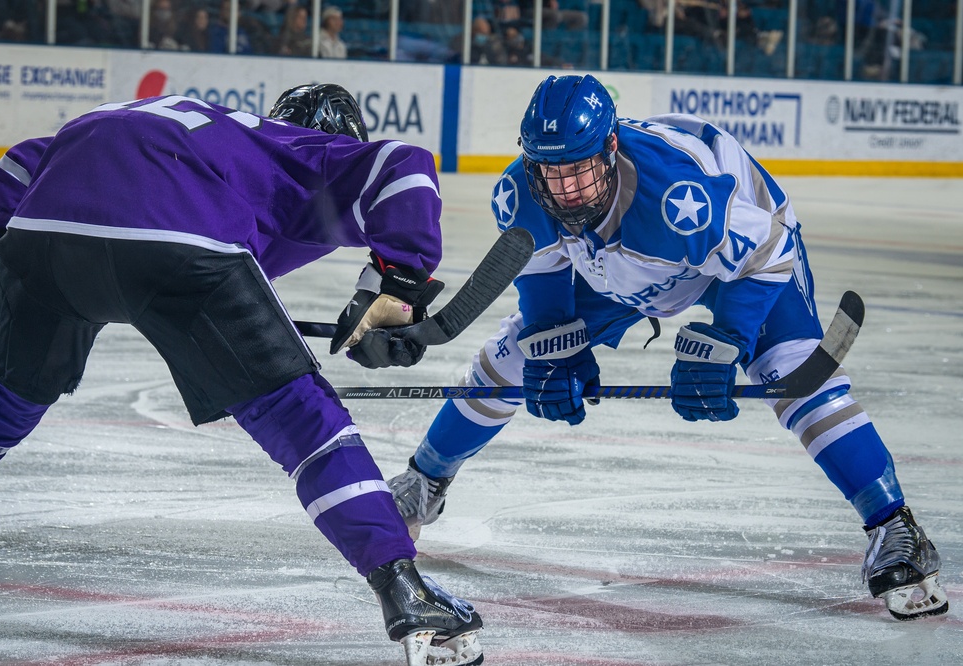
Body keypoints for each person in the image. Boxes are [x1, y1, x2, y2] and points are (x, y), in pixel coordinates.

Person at [385, 73, 948, 622]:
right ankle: (424, 482)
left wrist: (727, 337)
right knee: (513, 356)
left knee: (794, 374)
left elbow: (768, 251)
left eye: (579, 171)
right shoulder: (520, 195)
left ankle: (895, 528)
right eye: (550, 173)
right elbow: (545, 277)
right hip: (623, 267)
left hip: (738, 263)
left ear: (609, 149)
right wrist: (559, 352)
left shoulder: (679, 194)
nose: (566, 191)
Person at [0, 84, 483, 666]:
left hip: (42, 232)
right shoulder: (305, 151)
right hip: (181, 239)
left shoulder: (217, 134)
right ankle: (402, 588)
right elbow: (403, 167)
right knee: (305, 425)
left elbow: (19, 160)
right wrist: (399, 284)